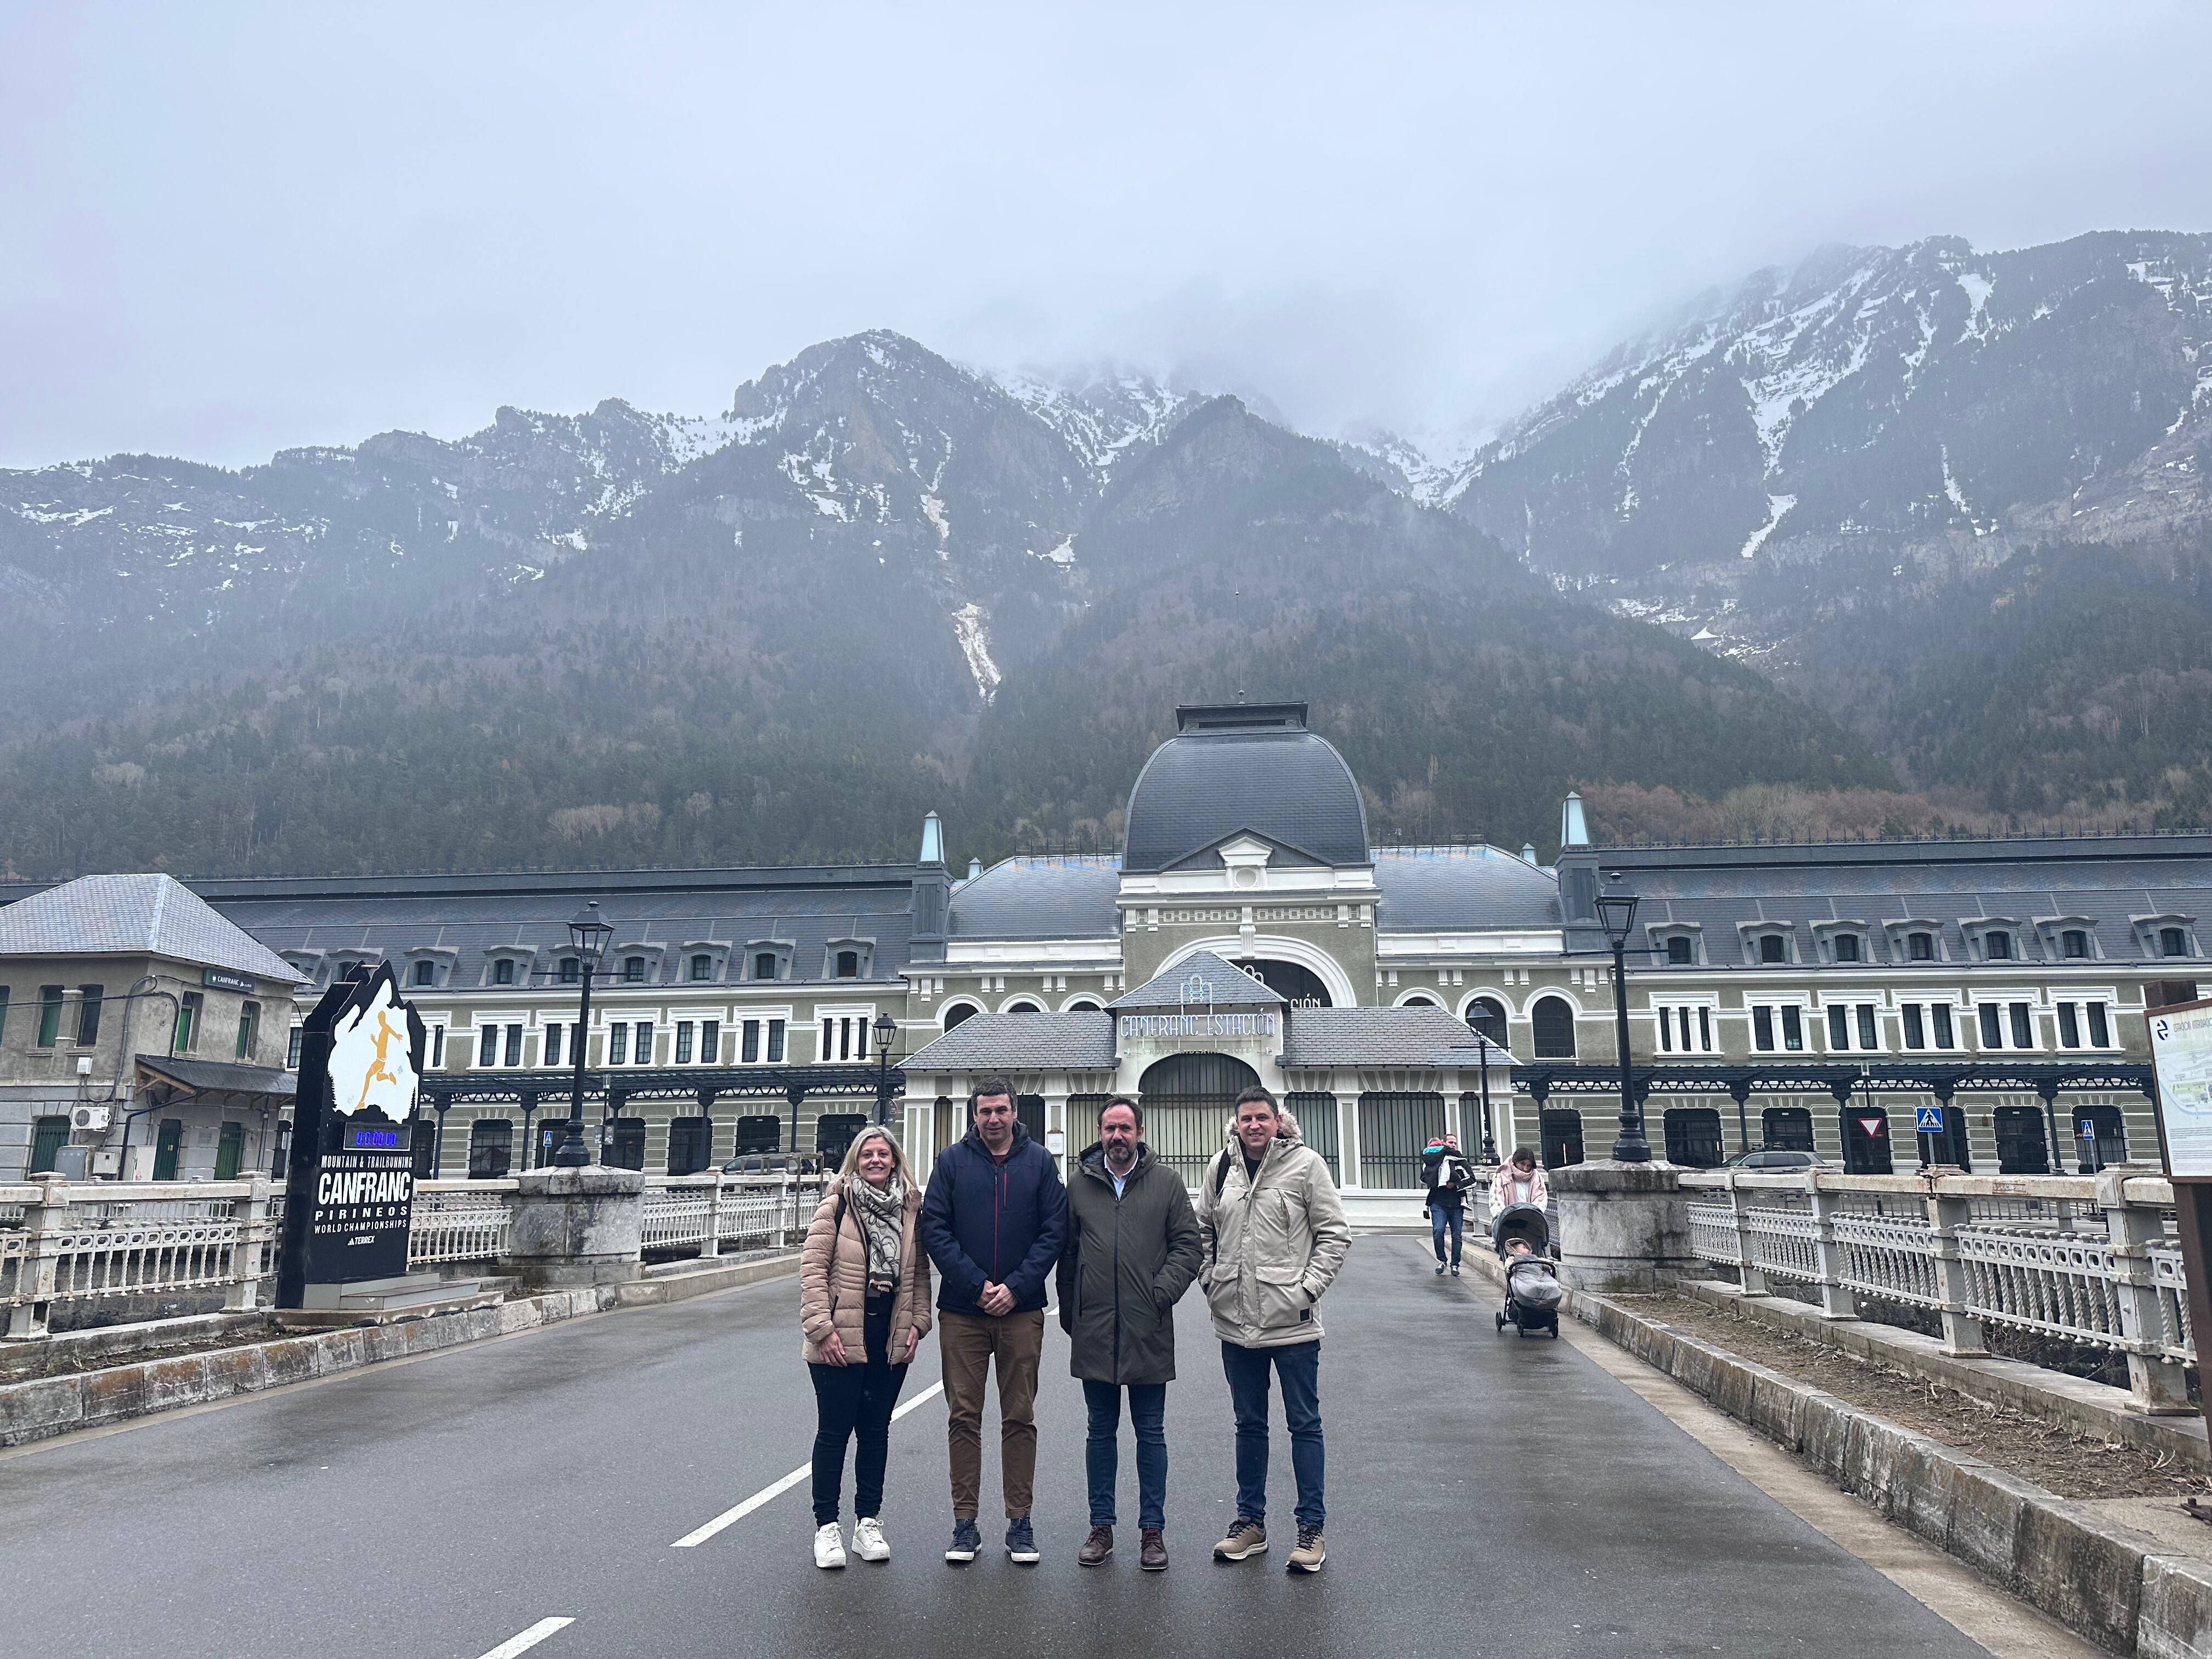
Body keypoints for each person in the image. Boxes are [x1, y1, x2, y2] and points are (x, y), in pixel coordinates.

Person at [1197, 1085, 1350, 1575]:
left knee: (1304, 1424)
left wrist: (1308, 1290)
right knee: (1250, 1425)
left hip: (1293, 1324)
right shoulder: (1220, 1168)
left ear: (1277, 1121)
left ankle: (1311, 1529)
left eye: (1262, 1118)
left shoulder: (1306, 1165)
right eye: (1246, 1119)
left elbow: (1334, 1233)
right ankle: (1251, 1523)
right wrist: (1210, 1280)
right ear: (1237, 1122)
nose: (1254, 1126)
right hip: (1235, 1323)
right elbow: (1202, 1231)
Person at [918, 1077, 1068, 1566]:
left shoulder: (1040, 1163)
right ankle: (965, 1523)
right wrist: (978, 1285)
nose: (993, 1119)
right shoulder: (951, 1162)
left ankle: (1019, 1521)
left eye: (1001, 1110)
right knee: (963, 1416)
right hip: (963, 1312)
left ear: (1014, 1111)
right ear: (974, 1114)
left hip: (1021, 1311)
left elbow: (1054, 1231)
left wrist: (1017, 1287)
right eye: (985, 1112)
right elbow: (934, 1228)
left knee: (1019, 1416)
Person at [1056, 1096, 1203, 1572]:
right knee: (1100, 1432)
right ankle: (1101, 1527)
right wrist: (1072, 1315)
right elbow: (1068, 1254)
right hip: (1094, 1328)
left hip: (1148, 1327)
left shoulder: (1166, 1183)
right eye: (1109, 1129)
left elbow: (1188, 1245)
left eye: (1125, 1128)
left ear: (1139, 1132)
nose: (1116, 1137)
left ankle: (1152, 1532)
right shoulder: (1079, 1185)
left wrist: (1161, 1293)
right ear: (1100, 1133)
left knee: (1151, 1434)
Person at [799, 1125, 933, 1570]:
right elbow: (813, 1271)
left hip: (888, 1334)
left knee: (876, 1432)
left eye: (884, 1154)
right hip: (840, 1335)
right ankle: (827, 1527)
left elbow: (918, 1275)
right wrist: (822, 1329)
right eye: (867, 1154)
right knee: (834, 1431)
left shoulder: (911, 1208)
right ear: (855, 1160)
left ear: (895, 1160)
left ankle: (868, 1522)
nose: (876, 1160)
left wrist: (918, 1324)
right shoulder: (836, 1204)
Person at [1420, 1131, 1475, 1277]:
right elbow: (1423, 1177)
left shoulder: (1459, 1160)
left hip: (1456, 1204)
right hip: (1438, 1202)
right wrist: (1435, 1181)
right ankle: (1442, 1260)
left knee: (1457, 1235)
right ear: (1443, 1143)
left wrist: (1455, 1185)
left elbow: (1472, 1179)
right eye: (1450, 1142)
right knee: (1438, 1231)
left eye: (1455, 1143)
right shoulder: (1433, 1160)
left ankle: (1455, 1264)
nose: (1453, 1145)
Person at [1493, 1146, 1549, 1210]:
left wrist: (1531, 1213)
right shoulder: (1502, 1176)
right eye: (1522, 1164)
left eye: (1529, 1166)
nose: (1525, 1169)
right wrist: (1505, 1215)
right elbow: (1496, 1199)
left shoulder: (1537, 1177)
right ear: (1515, 1162)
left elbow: (1541, 1198)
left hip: (1531, 1217)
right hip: (1508, 1217)